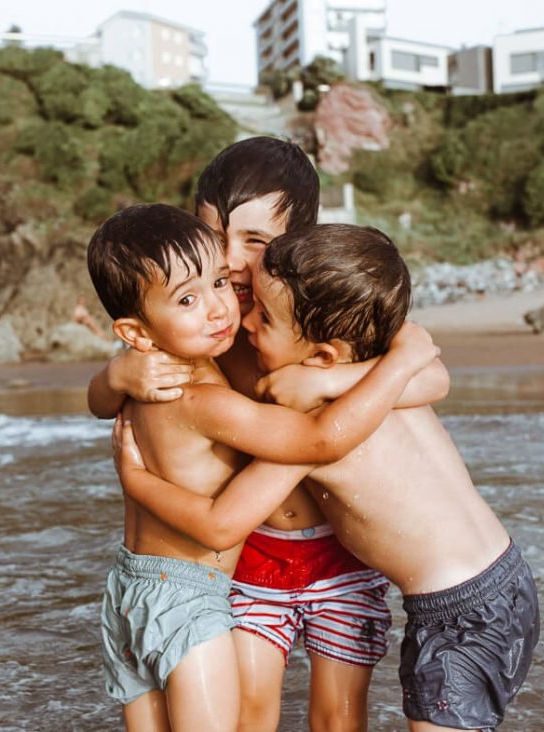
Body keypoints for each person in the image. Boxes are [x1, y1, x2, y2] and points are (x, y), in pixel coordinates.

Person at [87, 136, 451, 732]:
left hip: (336, 551)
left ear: (299, 235)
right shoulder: (199, 321)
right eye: (215, 236)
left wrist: (334, 381)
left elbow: (431, 374)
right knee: (250, 713)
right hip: (251, 555)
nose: (230, 260)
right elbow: (107, 403)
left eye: (253, 241)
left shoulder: (320, 305)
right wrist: (114, 374)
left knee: (338, 714)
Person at [117, 224, 541, 732]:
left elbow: (224, 520)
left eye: (264, 317)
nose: (246, 320)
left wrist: (135, 479)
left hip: (461, 607)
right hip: (491, 580)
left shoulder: (313, 415)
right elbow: (417, 348)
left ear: (323, 354)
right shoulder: (375, 367)